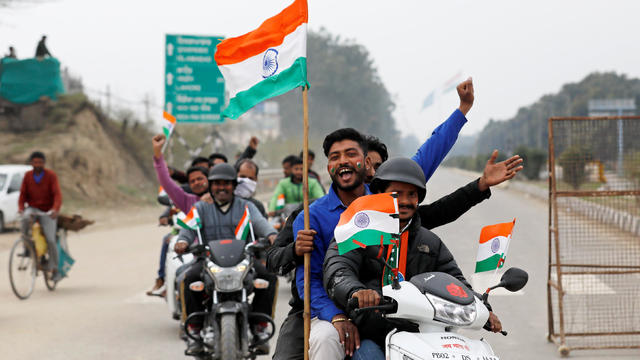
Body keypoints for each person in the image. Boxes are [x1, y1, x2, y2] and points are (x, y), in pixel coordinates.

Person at [323, 158, 504, 359]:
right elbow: (338, 270)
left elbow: (456, 283)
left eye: (412, 194)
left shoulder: (430, 241)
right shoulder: (358, 233)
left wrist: (484, 309)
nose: (405, 201)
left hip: (424, 335)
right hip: (372, 333)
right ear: (380, 195)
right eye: (396, 194)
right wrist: (356, 292)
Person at [175, 163, 278, 355]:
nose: (221, 187)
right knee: (187, 279)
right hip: (207, 260)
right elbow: (186, 230)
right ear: (211, 186)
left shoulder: (246, 207)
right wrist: (182, 241)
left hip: (244, 260)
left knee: (268, 278)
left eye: (226, 183)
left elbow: (260, 223)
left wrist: (272, 235)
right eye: (217, 183)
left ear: (233, 185)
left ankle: (260, 325)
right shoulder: (200, 207)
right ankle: (194, 330)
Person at [18, 151, 63, 281]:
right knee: (25, 219)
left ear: (44, 163)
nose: (38, 165)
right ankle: (26, 248)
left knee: (50, 239)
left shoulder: (51, 176)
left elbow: (57, 195)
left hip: (48, 210)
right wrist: (21, 208)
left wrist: (55, 209)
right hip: (32, 208)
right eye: (35, 162)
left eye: (40, 162)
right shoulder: (27, 176)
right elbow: (22, 195)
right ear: (31, 163)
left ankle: (55, 268)